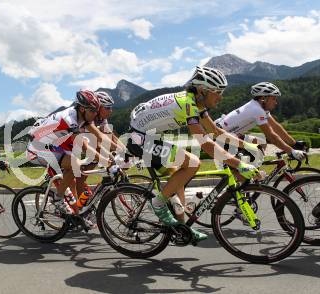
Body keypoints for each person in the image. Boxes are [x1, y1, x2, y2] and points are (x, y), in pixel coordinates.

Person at [127, 66, 260, 242]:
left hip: (148, 136)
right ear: (202, 90)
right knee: (191, 162)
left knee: (178, 178)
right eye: (217, 92)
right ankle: (157, 204)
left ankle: (181, 230)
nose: (221, 97)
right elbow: (205, 144)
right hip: (139, 138)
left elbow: (215, 131)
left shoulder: (197, 103)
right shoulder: (187, 105)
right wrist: (239, 164)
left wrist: (247, 146)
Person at [26, 90, 111, 216]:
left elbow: (98, 139)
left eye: (97, 110)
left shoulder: (83, 116)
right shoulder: (69, 118)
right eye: (93, 111)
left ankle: (76, 214)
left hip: (56, 146)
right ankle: (58, 198)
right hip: (38, 148)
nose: (95, 114)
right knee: (74, 165)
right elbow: (82, 145)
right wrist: (104, 160)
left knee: (75, 172)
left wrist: (113, 155)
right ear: (82, 109)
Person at [214, 82, 306, 161]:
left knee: (261, 143)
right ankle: (246, 177)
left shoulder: (260, 108)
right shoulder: (257, 110)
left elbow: (276, 127)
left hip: (228, 134)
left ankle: (249, 178)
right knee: (246, 170)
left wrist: (294, 143)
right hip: (220, 137)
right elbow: (271, 136)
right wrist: (291, 151)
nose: (276, 102)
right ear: (263, 98)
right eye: (273, 98)